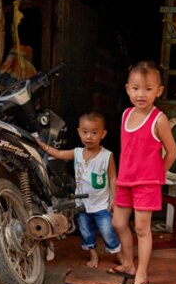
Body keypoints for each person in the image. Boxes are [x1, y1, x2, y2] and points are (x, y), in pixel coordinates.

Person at [110, 61, 176, 284]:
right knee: (118, 223)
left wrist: (156, 175)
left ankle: (141, 274)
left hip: (146, 184)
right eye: (136, 88)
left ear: (158, 91)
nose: (142, 94)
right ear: (128, 89)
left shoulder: (158, 119)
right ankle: (128, 263)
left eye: (148, 89)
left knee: (142, 228)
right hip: (125, 181)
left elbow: (172, 152)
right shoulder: (126, 115)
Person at [37, 111, 123, 268]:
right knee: (85, 231)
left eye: (94, 132)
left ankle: (119, 255)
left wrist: (114, 199)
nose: (89, 136)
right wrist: (43, 146)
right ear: (79, 132)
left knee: (107, 230)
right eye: (85, 132)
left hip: (101, 204)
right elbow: (59, 154)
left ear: (103, 134)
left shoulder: (107, 156)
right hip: (81, 204)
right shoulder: (77, 153)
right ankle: (93, 256)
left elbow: (112, 177)